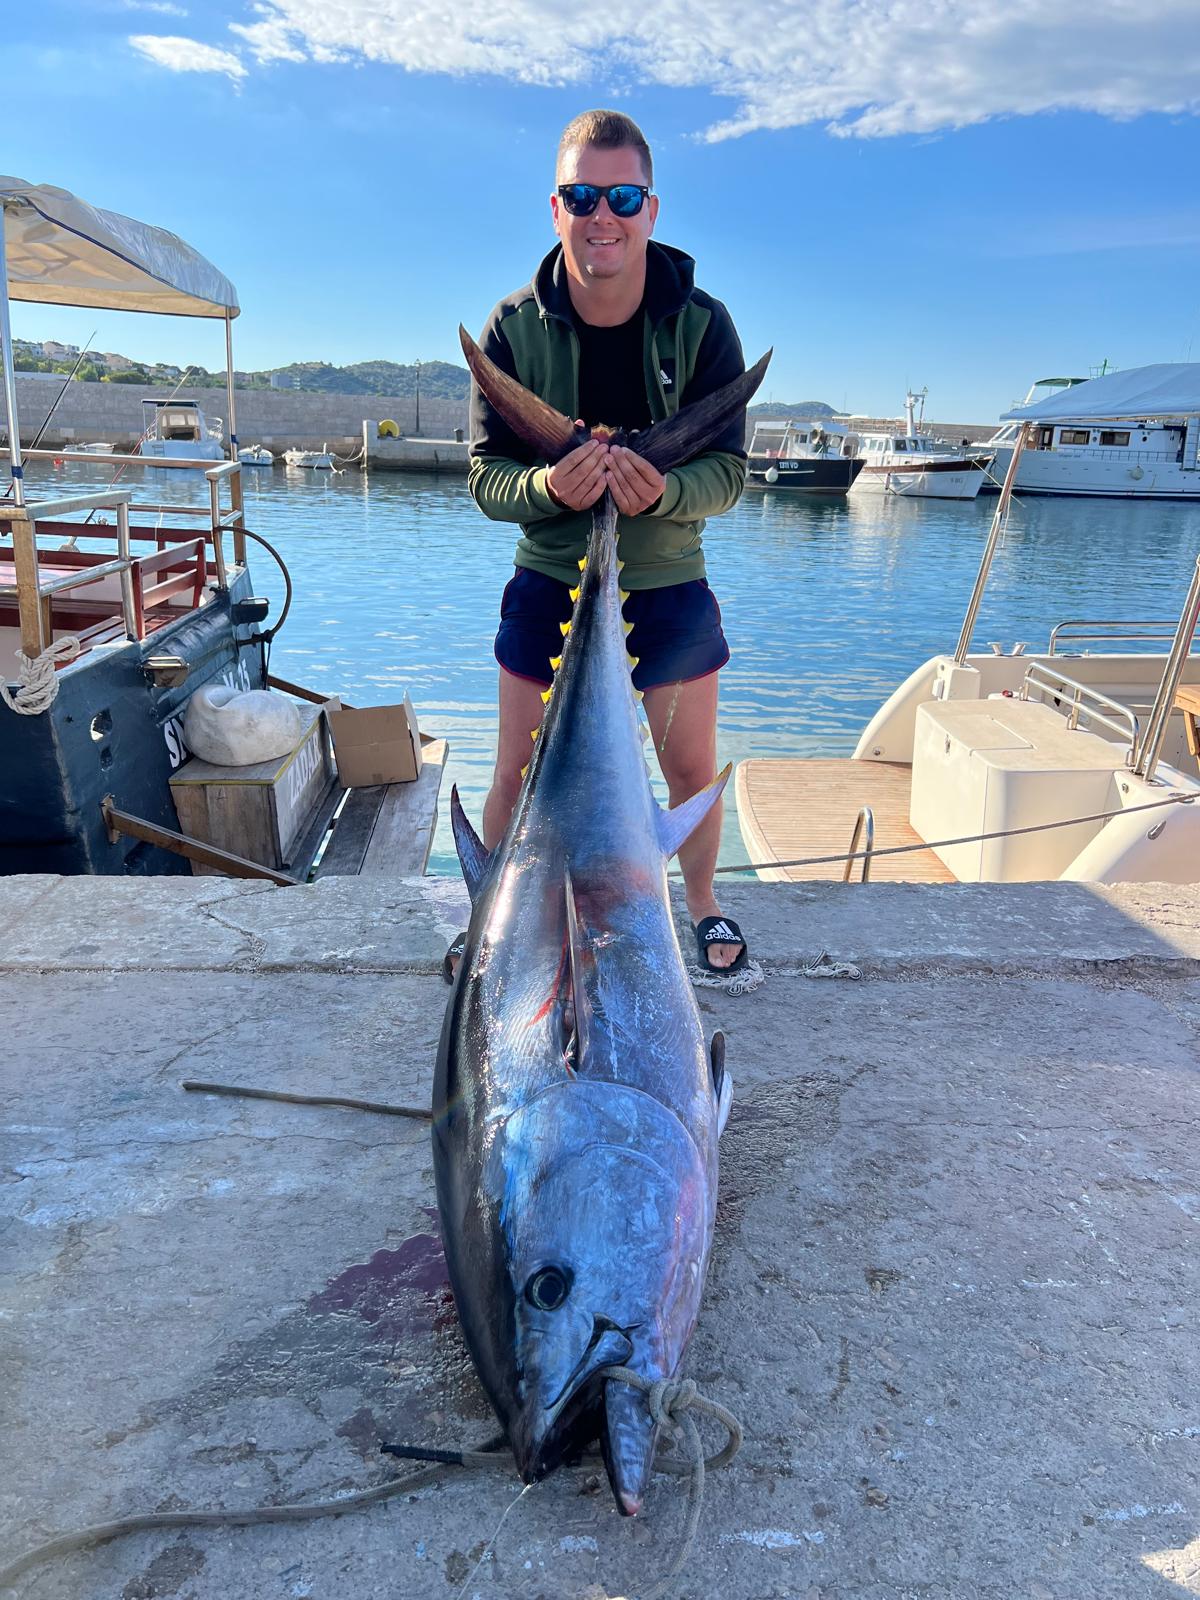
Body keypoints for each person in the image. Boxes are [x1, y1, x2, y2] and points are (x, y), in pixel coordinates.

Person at [450, 107, 749, 980]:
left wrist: (664, 491)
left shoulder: (704, 326)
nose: (602, 216)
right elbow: (485, 478)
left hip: (669, 580)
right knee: (516, 771)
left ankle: (703, 904)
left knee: (689, 767)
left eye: (622, 197)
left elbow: (729, 474)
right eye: (583, 197)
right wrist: (549, 487)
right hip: (550, 580)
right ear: (557, 209)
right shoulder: (511, 328)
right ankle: (496, 917)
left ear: (651, 209)